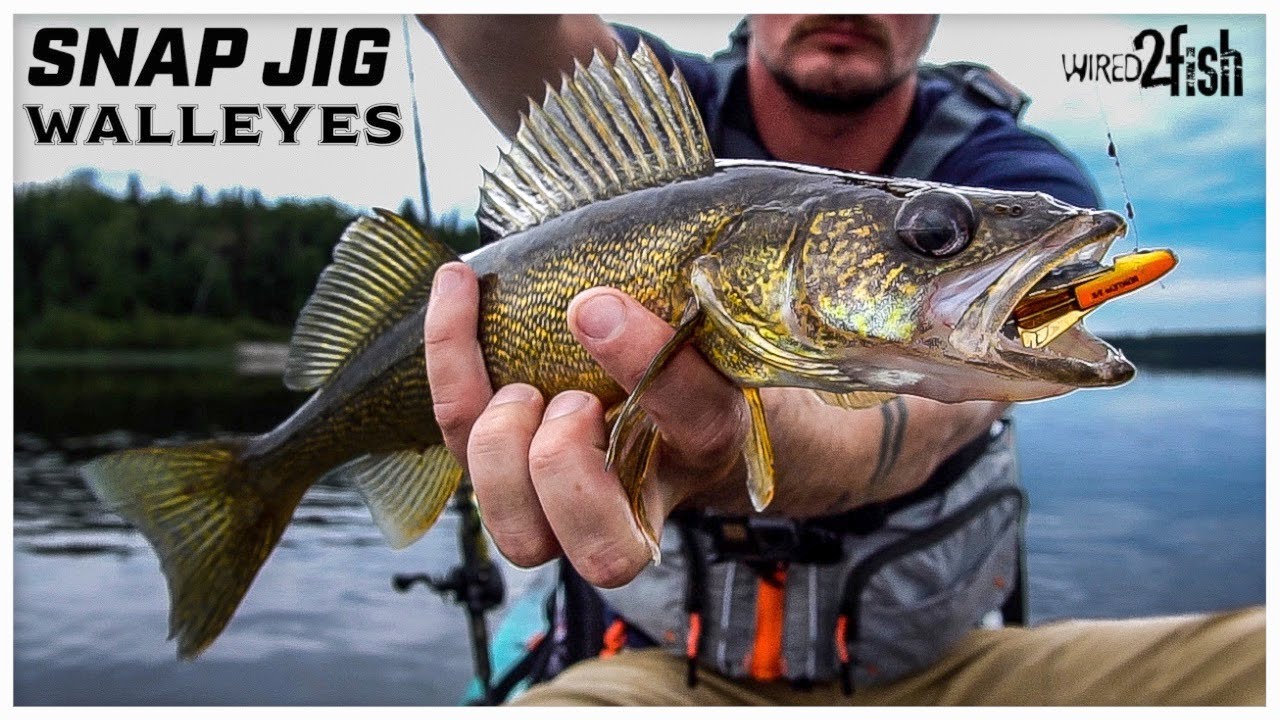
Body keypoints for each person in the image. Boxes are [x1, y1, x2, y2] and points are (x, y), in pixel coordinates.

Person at [416, 14, 1263, 705]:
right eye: (932, 236)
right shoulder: (659, 110)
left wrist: (749, 435)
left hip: (943, 675)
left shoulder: (1008, 169)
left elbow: (936, 409)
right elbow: (494, 29)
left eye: (933, 237)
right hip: (660, 673)